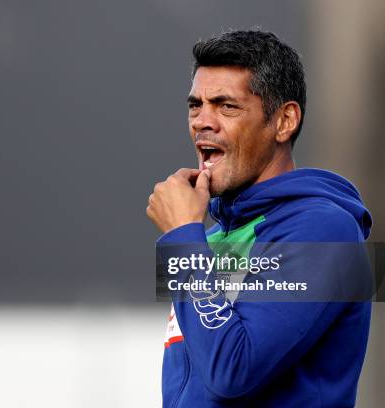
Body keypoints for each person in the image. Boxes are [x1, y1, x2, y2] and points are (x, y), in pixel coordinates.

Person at [146, 30, 372, 407]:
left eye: (226, 106)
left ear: (284, 121)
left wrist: (184, 241)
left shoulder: (325, 230)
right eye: (196, 105)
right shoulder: (211, 237)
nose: (203, 121)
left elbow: (233, 372)